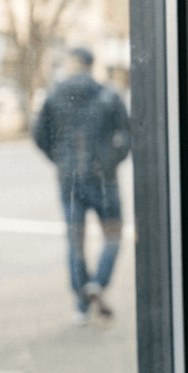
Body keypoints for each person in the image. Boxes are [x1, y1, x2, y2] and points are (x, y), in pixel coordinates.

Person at [33, 47, 130, 325]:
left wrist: (60, 159)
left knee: (75, 242)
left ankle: (81, 306)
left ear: (73, 64)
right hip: (104, 180)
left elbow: (39, 134)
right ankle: (97, 283)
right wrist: (111, 161)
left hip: (70, 181)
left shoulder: (55, 94)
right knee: (113, 235)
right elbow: (127, 134)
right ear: (91, 65)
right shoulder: (109, 94)